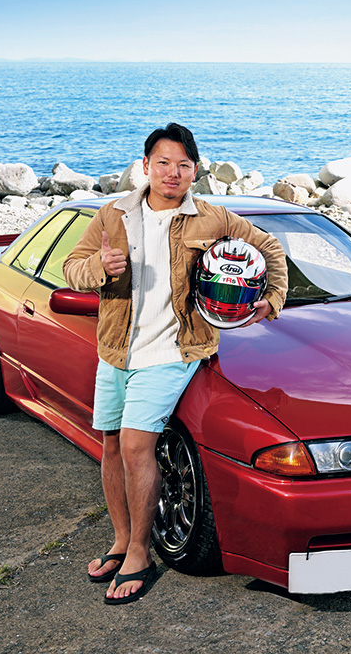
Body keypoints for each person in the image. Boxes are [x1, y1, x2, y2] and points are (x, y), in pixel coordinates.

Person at [63, 123, 287, 605]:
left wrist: (271, 299)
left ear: (196, 170)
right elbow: (73, 268)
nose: (173, 172)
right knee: (111, 444)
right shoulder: (113, 214)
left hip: (174, 351)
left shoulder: (212, 217)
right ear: (146, 166)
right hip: (116, 350)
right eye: (164, 162)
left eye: (184, 164)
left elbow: (268, 248)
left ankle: (141, 555)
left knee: (138, 445)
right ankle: (121, 541)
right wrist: (100, 268)